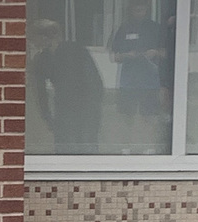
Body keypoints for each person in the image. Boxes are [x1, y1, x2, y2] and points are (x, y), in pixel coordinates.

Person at [30, 19, 104, 153]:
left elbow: (95, 81)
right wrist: (47, 117)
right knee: (63, 144)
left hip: (86, 105)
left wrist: (94, 106)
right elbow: (40, 92)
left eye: (34, 38)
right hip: (63, 107)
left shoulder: (76, 50)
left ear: (44, 37)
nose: (32, 42)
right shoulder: (42, 59)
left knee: (86, 144)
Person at [109, 1, 164, 131]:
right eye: (136, 10)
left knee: (150, 116)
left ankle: (150, 149)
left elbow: (168, 53)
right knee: (127, 116)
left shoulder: (155, 28)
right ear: (131, 10)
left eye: (142, 9)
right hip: (129, 81)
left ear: (146, 9)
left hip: (149, 80)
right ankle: (126, 148)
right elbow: (114, 57)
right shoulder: (124, 28)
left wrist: (155, 52)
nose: (139, 12)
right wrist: (127, 55)